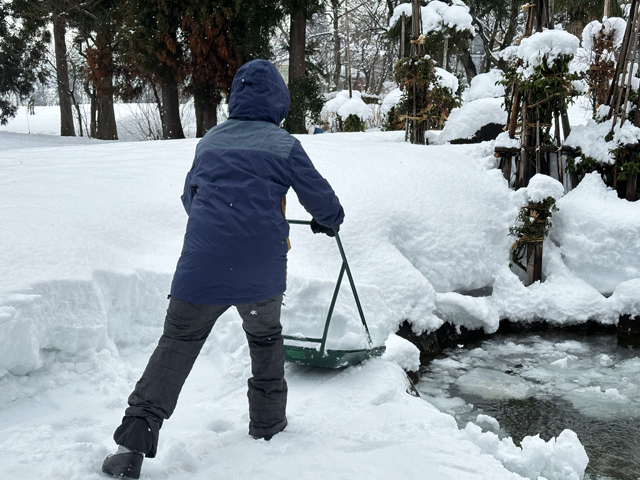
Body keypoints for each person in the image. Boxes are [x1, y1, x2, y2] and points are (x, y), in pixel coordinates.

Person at [101, 59, 344, 479]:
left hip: (202, 269)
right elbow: (323, 201)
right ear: (278, 101)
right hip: (260, 274)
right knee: (266, 341)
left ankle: (133, 441)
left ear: (235, 98)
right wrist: (328, 220)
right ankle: (268, 426)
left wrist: (216, 227)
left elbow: (189, 198)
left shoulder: (210, 141)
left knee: (176, 343)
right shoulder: (284, 144)